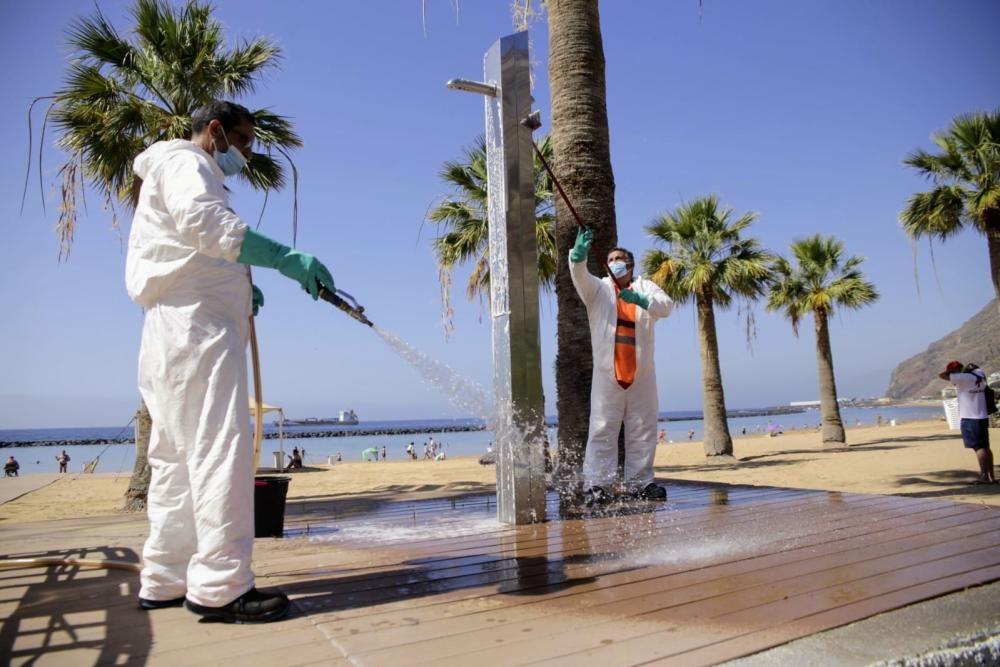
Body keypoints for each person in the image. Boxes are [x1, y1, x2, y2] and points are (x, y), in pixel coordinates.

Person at [126, 101, 336, 623]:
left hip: (172, 332)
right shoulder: (188, 163)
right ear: (215, 131)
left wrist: (243, 289)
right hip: (197, 332)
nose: (248, 153)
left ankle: (166, 576)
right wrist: (288, 260)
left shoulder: (175, 169)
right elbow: (207, 227)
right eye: (243, 141)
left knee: (174, 458)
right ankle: (221, 586)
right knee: (221, 449)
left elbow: (193, 249)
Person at [569, 228, 674, 505]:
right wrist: (577, 256)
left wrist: (642, 301)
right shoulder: (599, 289)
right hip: (607, 373)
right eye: (611, 258)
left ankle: (642, 483)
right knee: (603, 427)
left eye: (620, 258)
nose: (615, 262)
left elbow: (666, 306)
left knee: (643, 428)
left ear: (630, 265)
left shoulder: (645, 287)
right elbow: (580, 276)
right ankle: (597, 485)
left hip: (642, 373)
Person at [939, 361, 995, 484]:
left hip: (970, 417)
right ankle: (992, 476)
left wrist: (952, 372)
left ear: (955, 371)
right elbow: (977, 369)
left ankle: (984, 477)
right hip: (982, 416)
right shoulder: (979, 374)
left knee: (978, 448)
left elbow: (941, 375)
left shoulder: (962, 377)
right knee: (985, 447)